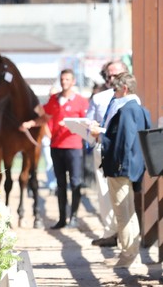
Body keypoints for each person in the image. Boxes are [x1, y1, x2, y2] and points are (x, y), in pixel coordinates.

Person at [89, 73, 151, 269]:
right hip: (134, 166)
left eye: (115, 90)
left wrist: (100, 136)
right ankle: (132, 253)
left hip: (120, 167)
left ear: (124, 88)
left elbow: (121, 142)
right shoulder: (142, 111)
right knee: (130, 211)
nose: (114, 94)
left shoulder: (125, 111)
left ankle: (128, 255)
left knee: (123, 213)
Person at [22, 68, 88, 229]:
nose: (64, 82)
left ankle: (73, 217)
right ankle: (62, 218)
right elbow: (44, 117)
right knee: (60, 184)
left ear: (73, 82)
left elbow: (87, 123)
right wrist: (31, 123)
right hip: (56, 147)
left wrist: (72, 124)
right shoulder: (53, 99)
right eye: (62, 79)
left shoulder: (81, 101)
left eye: (67, 80)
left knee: (75, 182)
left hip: (74, 147)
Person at [85, 60, 128, 246]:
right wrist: (90, 128)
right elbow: (88, 122)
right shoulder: (99, 98)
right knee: (103, 192)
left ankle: (126, 235)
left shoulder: (132, 96)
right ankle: (110, 232)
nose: (112, 79)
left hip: (123, 149)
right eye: (109, 75)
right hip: (102, 147)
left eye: (116, 75)